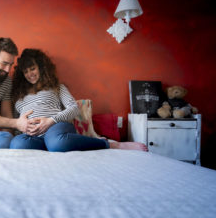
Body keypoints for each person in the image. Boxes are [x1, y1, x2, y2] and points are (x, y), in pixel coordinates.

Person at [9, 48, 148, 152]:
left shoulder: (56, 87)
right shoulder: (19, 95)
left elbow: (73, 108)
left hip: (56, 128)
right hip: (33, 136)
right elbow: (17, 122)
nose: (29, 74)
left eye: (32, 69)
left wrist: (50, 121)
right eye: (25, 71)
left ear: (41, 68)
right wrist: (24, 128)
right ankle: (50, 144)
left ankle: (111, 144)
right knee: (17, 144)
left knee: (57, 142)